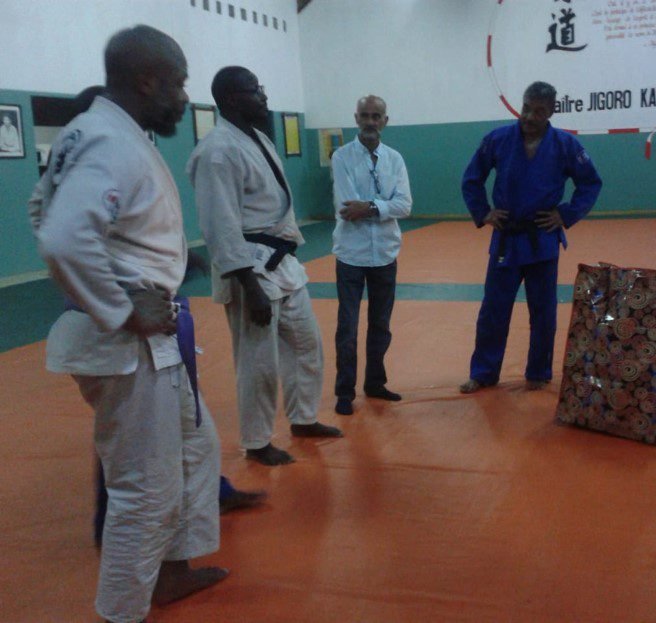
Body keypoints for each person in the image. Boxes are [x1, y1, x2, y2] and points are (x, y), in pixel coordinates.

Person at [35, 26, 227, 623]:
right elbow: (62, 236)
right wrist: (121, 306)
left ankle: (172, 572)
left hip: (145, 333)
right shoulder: (109, 141)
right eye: (178, 84)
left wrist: (141, 264)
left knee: (196, 446)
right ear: (147, 80)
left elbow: (41, 209)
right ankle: (121, 611)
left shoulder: (94, 132)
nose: (184, 97)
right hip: (124, 341)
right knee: (144, 486)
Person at [187, 66, 342, 467]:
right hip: (250, 270)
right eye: (255, 90)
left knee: (306, 344)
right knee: (258, 362)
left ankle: (303, 418)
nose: (264, 97)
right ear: (232, 99)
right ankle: (256, 441)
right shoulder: (217, 151)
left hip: (281, 263)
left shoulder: (255, 138)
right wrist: (248, 285)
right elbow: (219, 225)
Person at [459, 81, 602, 394]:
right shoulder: (497, 139)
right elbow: (471, 179)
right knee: (493, 310)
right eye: (526, 108)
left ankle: (538, 372)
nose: (529, 116)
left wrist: (566, 214)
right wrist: (483, 212)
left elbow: (591, 183)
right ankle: (484, 372)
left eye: (539, 111)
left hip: (542, 239)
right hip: (507, 238)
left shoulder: (566, 144)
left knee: (543, 311)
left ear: (551, 112)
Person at [330, 95, 412, 416]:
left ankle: (375, 382)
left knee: (381, 324)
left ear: (385, 121)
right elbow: (348, 206)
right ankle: (344, 391)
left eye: (376, 116)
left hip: (386, 255)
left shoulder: (395, 159)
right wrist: (382, 207)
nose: (370, 121)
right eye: (365, 115)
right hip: (351, 255)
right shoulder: (341, 157)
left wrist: (371, 207)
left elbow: (405, 205)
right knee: (347, 327)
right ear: (356, 118)